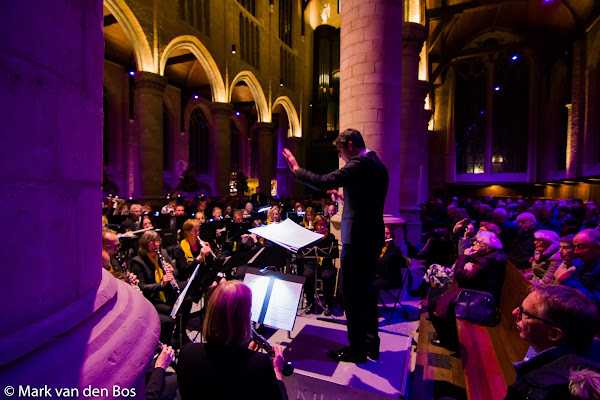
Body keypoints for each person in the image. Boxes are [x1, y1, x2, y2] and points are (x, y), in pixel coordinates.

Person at [282, 128, 388, 363]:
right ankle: (371, 344)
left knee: (350, 293)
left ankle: (357, 349)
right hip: (371, 235)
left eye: (340, 151)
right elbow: (368, 199)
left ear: (350, 145)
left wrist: (297, 170)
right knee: (367, 292)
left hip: (358, 238)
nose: (341, 157)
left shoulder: (359, 163)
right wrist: (345, 198)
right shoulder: (376, 163)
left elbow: (324, 180)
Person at [177, 281, 288, 400]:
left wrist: (246, 353)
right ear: (244, 319)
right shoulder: (260, 364)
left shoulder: (187, 353)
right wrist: (277, 371)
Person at [505, 285, 600, 400]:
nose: (514, 312)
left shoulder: (545, 391)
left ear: (554, 334)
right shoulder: (573, 351)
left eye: (525, 313)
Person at [429, 230, 506, 349]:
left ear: (486, 246)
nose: (474, 243)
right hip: (473, 291)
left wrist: (464, 257)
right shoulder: (486, 256)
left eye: (478, 242)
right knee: (435, 294)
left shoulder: (487, 260)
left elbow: (461, 277)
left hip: (478, 298)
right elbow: (463, 275)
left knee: (436, 299)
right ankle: (444, 333)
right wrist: (466, 262)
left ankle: (448, 340)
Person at [559, 228, 600, 307]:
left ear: (597, 247)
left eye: (580, 247)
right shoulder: (581, 263)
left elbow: (595, 302)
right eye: (575, 247)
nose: (575, 252)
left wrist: (567, 280)